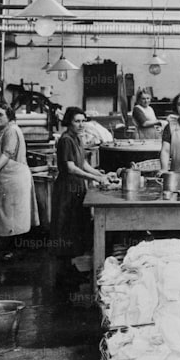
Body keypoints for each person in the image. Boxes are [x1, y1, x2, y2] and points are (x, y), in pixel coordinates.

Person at [51, 107, 116, 270]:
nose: (81, 125)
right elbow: (71, 167)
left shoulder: (78, 138)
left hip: (78, 184)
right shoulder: (66, 139)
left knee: (78, 222)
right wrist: (95, 178)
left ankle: (76, 263)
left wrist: (101, 174)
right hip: (67, 186)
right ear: (68, 122)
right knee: (67, 224)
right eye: (76, 121)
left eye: (83, 121)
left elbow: (83, 163)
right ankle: (65, 269)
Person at [0, 103, 38, 258]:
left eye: (1, 114)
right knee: (9, 215)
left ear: (9, 116)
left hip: (15, 178)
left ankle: (15, 252)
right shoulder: (3, 131)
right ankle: (12, 250)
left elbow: (7, 153)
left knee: (14, 216)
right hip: (7, 177)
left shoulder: (11, 131)